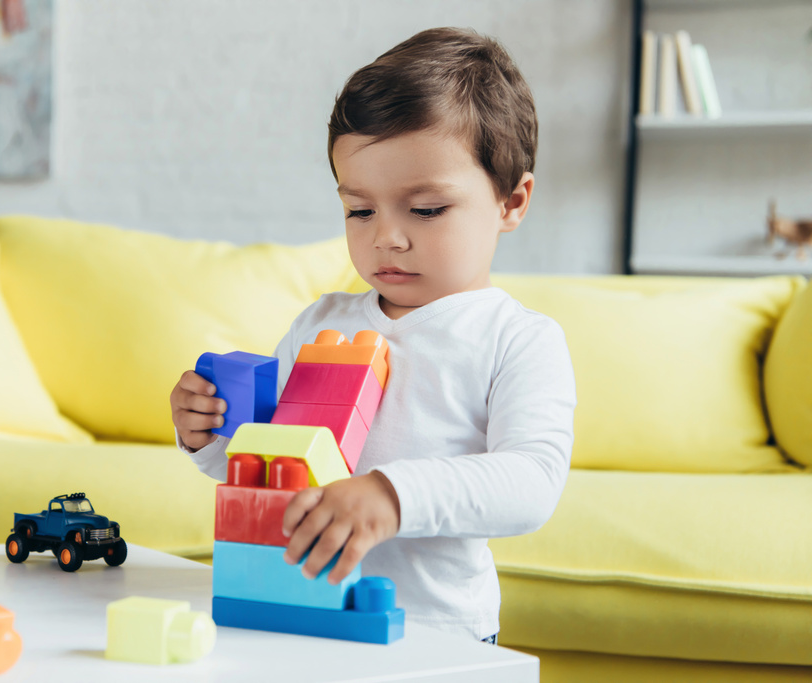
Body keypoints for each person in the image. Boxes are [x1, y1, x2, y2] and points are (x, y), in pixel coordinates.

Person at [170, 26, 576, 645]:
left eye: (426, 209)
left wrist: (391, 495)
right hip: (299, 612)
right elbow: (269, 467)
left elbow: (530, 482)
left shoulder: (517, 340)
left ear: (511, 201)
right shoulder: (320, 324)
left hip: (435, 634)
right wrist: (208, 436)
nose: (386, 236)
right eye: (360, 210)